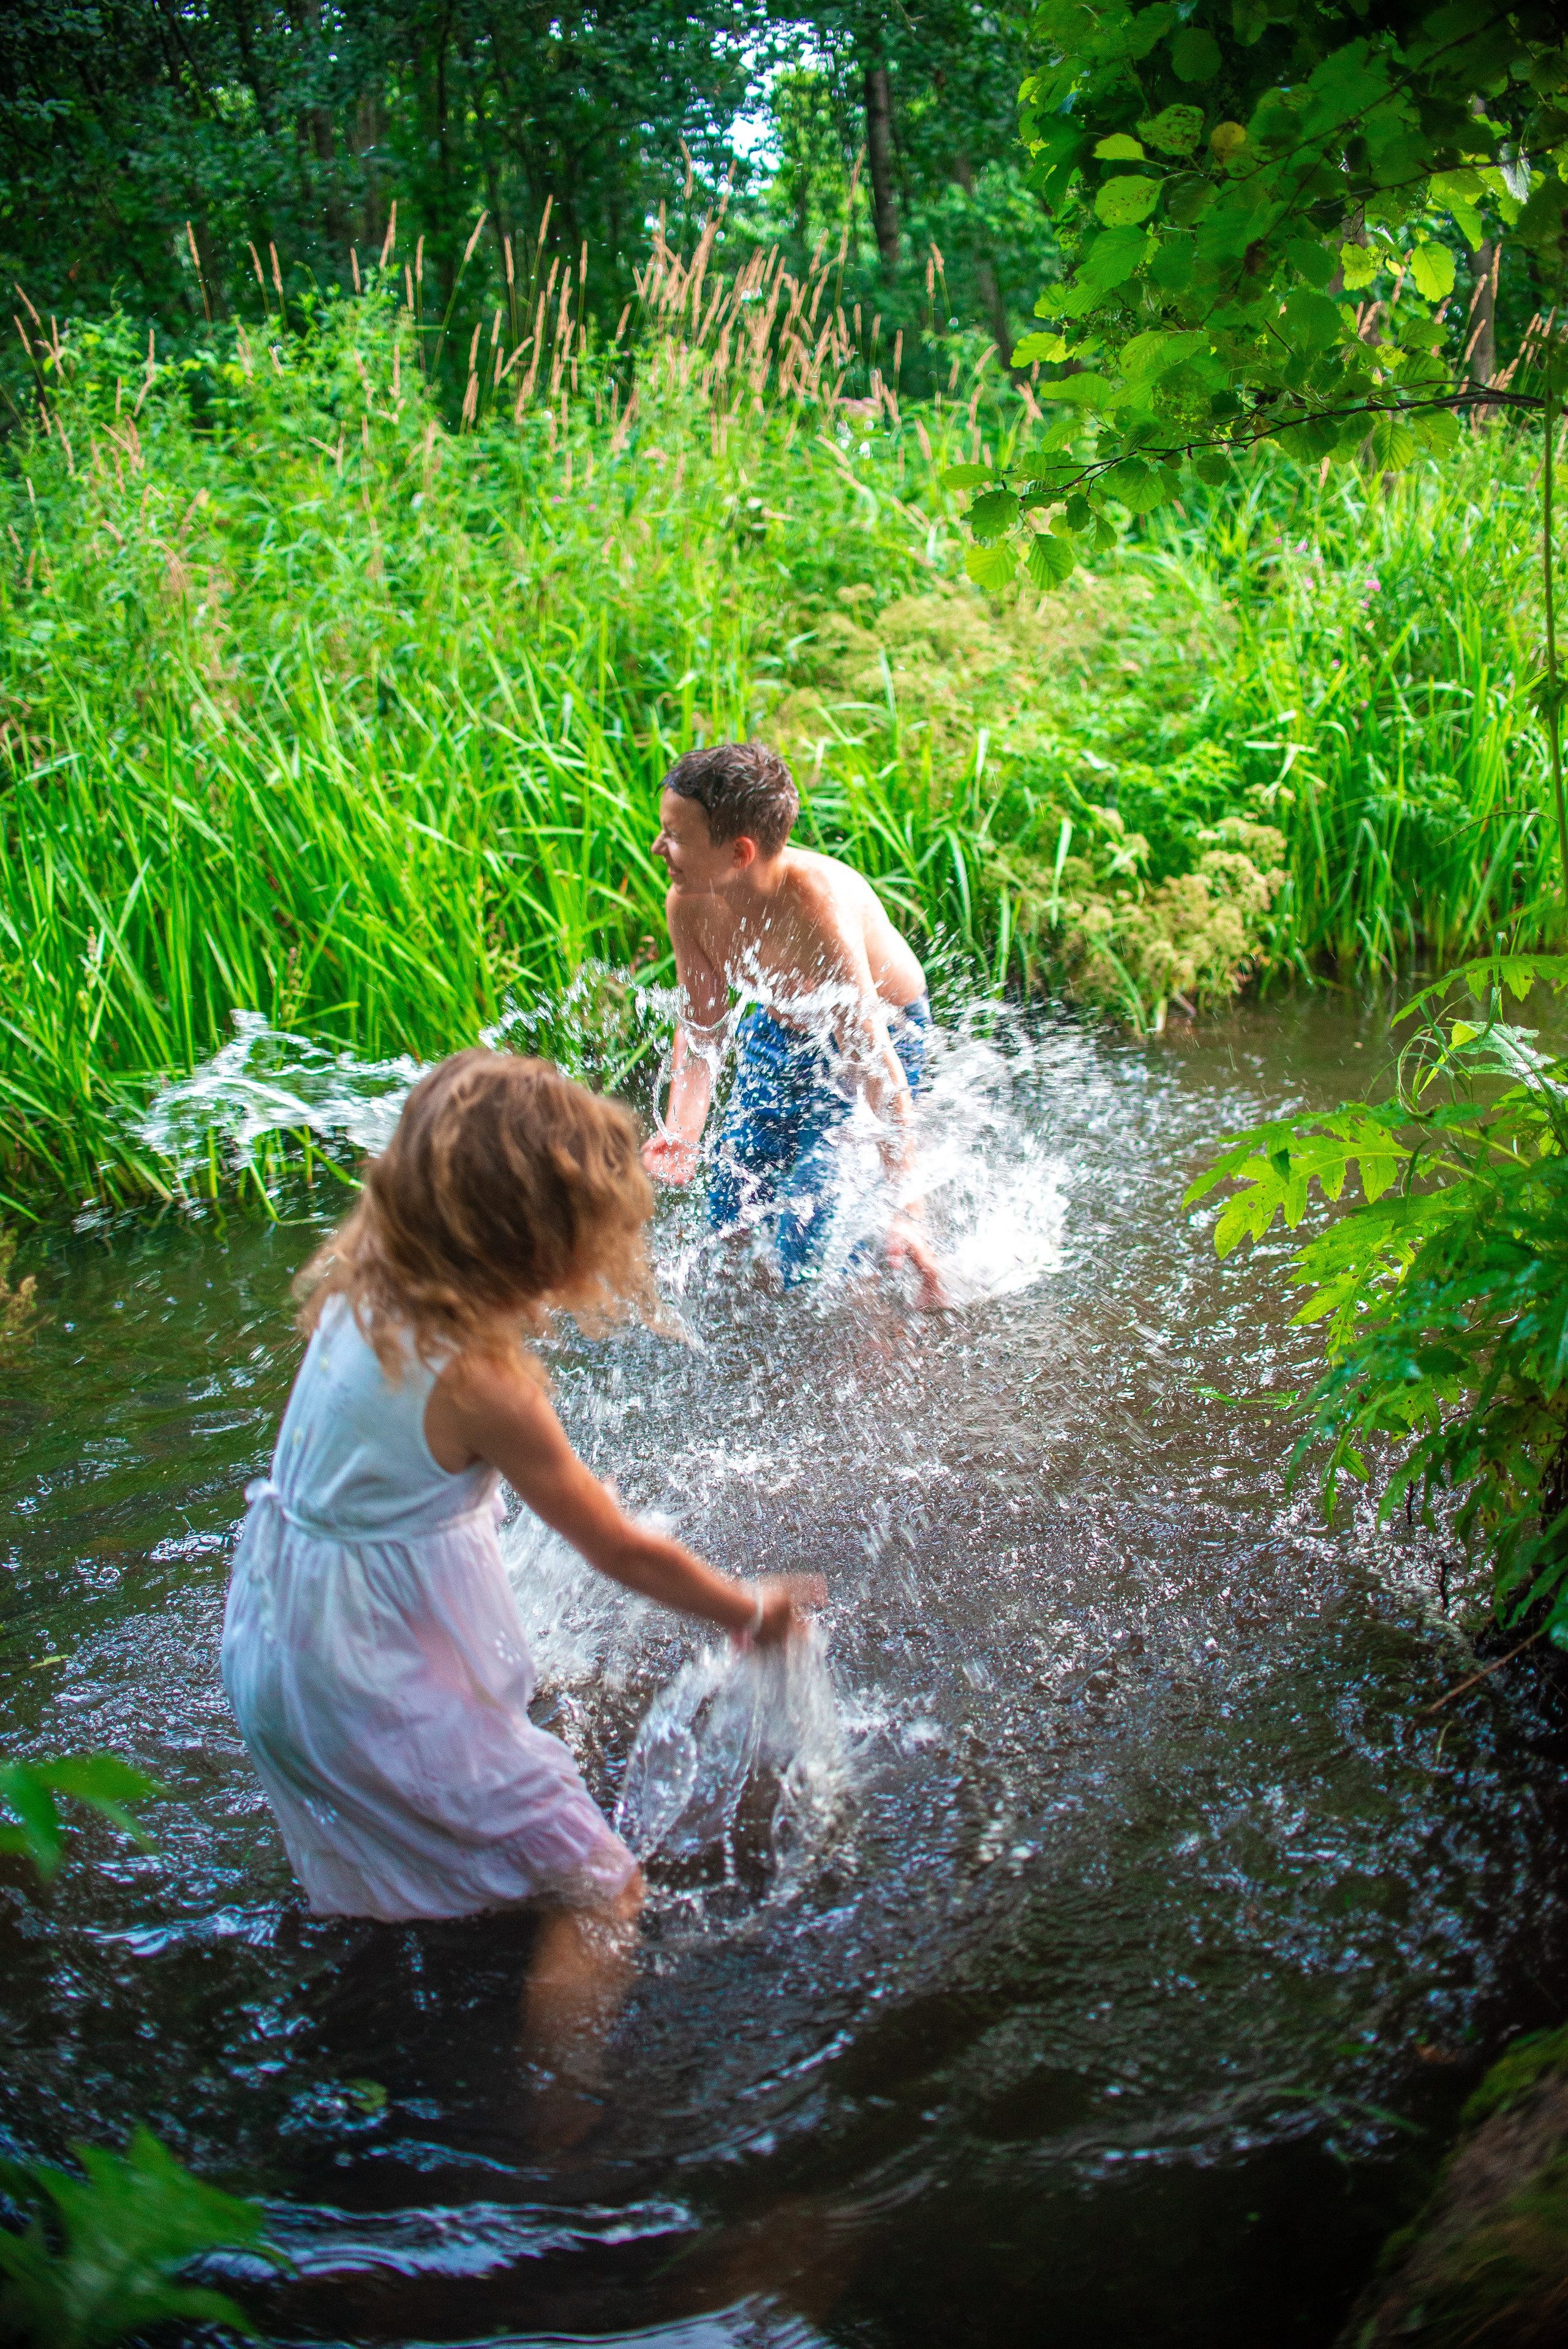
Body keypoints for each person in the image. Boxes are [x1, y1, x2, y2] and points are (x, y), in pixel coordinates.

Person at [221, 1048, 820, 2087]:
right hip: (368, 1682)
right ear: (536, 1245)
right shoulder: (483, 1379)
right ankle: (560, 2139)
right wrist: (745, 1606)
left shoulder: (366, 1275)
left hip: (281, 1635)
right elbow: (618, 1546)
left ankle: (391, 2006)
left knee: (405, 1847)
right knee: (602, 1889)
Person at [641, 740, 946, 1304]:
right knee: (729, 1203)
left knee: (814, 1217)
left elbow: (874, 1062)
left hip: (881, 1033)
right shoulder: (689, 901)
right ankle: (754, 1318)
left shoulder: (815, 907)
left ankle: (871, 1313)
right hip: (781, 1028)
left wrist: (910, 1209)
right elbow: (703, 1027)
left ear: (740, 852)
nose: (659, 847)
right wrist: (683, 1131)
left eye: (675, 836)